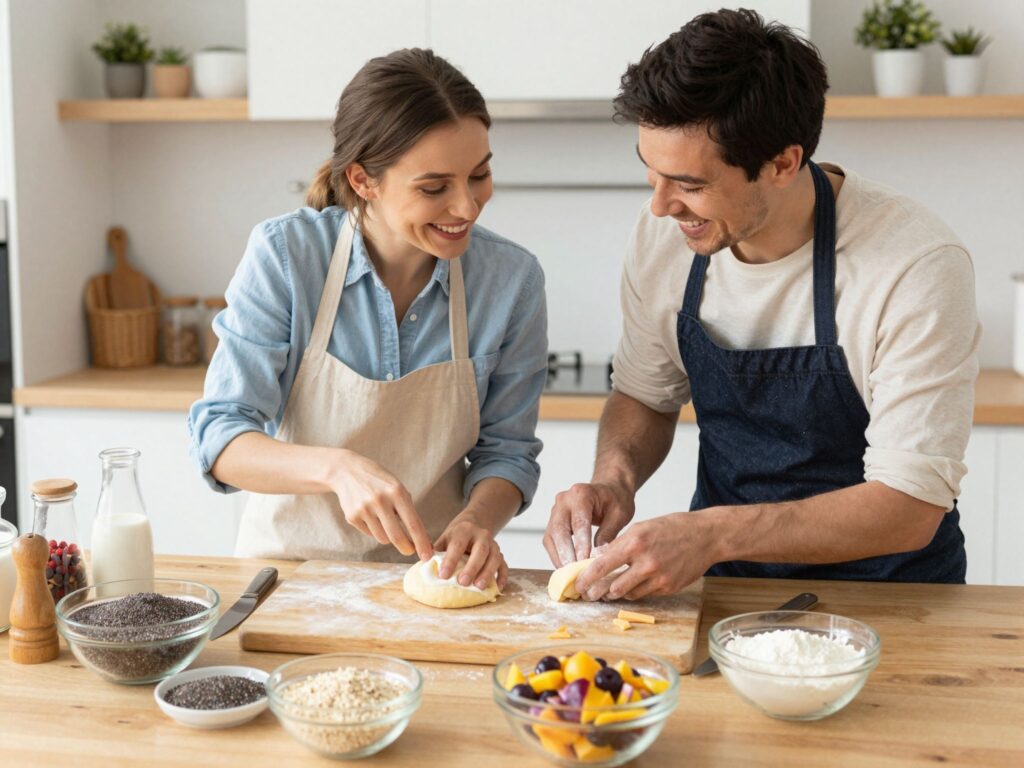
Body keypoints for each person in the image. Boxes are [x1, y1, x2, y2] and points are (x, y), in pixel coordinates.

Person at [544, 9, 979, 599]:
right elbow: (646, 394)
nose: (662, 206)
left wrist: (712, 533)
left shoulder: (914, 265)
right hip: (730, 587)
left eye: (691, 185)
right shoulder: (665, 236)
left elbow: (910, 505)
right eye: (652, 174)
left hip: (894, 597)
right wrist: (613, 480)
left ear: (782, 164)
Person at [188, 48, 547, 591]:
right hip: (287, 579)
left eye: (480, 175)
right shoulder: (287, 257)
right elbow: (220, 438)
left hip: (429, 581)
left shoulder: (511, 280)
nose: (467, 207)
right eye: (434, 188)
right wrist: (337, 469)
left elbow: (508, 453)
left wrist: (477, 520)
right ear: (362, 180)